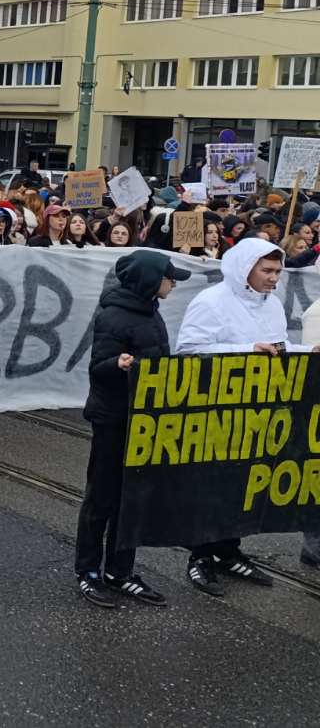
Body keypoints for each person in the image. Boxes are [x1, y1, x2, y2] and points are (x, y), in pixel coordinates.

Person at [74, 249, 187, 608]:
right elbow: (98, 368)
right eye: (169, 277)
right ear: (150, 281)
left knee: (131, 499)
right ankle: (88, 571)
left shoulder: (150, 311)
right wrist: (118, 364)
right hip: (114, 419)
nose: (173, 283)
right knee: (101, 498)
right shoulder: (114, 316)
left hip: (143, 419)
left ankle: (119, 572)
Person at [175, 237, 288, 594]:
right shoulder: (211, 301)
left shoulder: (274, 305)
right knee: (212, 486)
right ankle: (201, 557)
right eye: (267, 270)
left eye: (278, 271)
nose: (274, 278)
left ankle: (228, 550)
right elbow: (188, 351)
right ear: (245, 269)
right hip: (217, 409)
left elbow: (278, 349)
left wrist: (307, 350)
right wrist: (246, 350)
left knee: (243, 485)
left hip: (256, 410)